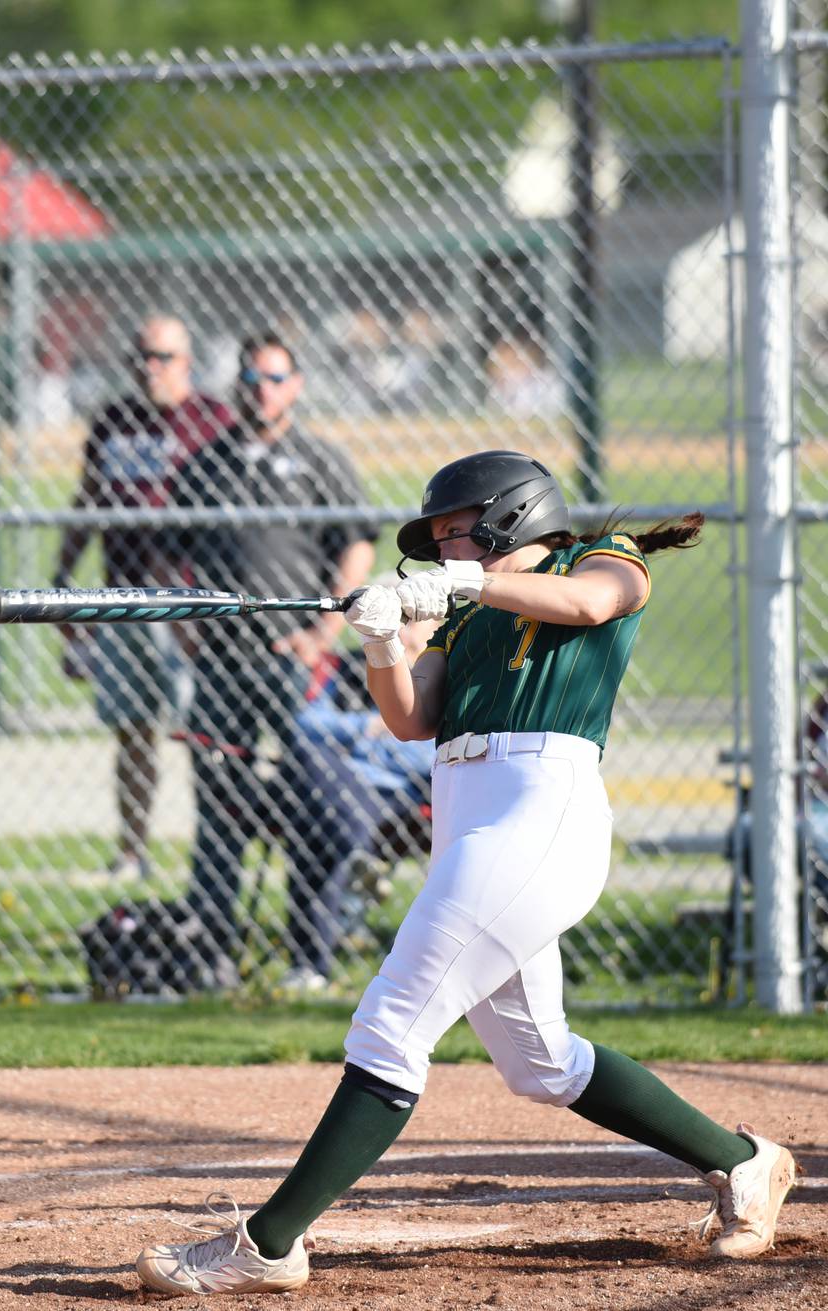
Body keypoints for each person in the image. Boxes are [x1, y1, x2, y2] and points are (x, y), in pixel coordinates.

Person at [136, 450, 799, 1294]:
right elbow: (412, 718)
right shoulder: (463, 618)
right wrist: (382, 640)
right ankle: (746, 1162)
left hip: (538, 809)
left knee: (392, 1023)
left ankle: (268, 1243)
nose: (444, 550)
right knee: (541, 1062)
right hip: (468, 817)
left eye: (455, 532)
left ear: (509, 518)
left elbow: (594, 603)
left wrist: (467, 587)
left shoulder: (599, 560)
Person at [168, 332, 377, 990]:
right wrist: (185, 629)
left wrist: (323, 632)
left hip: (293, 661)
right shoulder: (204, 465)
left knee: (307, 805)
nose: (264, 390)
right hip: (220, 661)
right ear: (237, 386)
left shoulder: (321, 460)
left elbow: (357, 546)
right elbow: (172, 552)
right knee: (220, 805)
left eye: (276, 377)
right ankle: (212, 959)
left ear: (297, 384)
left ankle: (308, 958)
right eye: (253, 379)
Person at [53, 315, 234, 880]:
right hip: (122, 596)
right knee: (132, 730)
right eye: (140, 357)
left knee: (205, 733)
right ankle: (132, 851)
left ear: (187, 362)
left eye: (162, 358)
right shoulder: (114, 420)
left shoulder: (211, 420)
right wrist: (63, 573)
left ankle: (215, 852)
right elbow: (88, 499)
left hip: (190, 601)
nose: (148, 369)